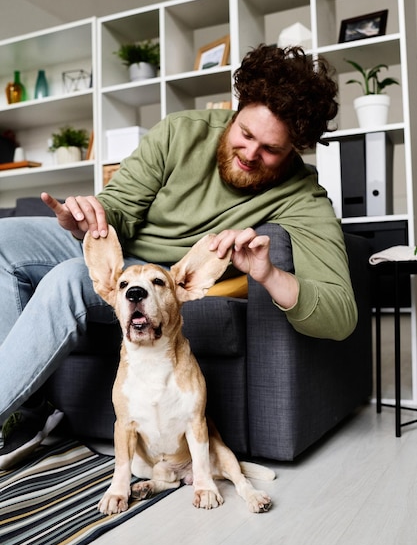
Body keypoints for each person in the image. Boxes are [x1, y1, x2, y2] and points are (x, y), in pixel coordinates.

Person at [0, 44, 357, 469]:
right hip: (120, 252)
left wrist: (269, 274)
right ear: (237, 108)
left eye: (270, 150)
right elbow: (120, 207)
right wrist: (91, 218)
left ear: (295, 150)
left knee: (65, 282)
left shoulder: (303, 196)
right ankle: (28, 406)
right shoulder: (181, 131)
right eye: (244, 133)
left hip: (167, 281)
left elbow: (341, 314)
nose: (249, 153)